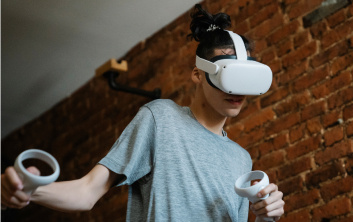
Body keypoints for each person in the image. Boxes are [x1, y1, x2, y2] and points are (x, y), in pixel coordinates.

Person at [1, 4, 284, 222]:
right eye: (228, 77)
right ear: (198, 74)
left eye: (245, 81)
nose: (237, 93)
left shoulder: (241, 158)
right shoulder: (161, 118)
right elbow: (87, 191)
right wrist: (29, 190)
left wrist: (263, 217)